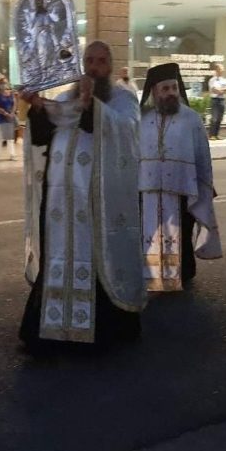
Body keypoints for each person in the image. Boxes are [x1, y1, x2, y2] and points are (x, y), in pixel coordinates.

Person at [19, 40, 145, 350]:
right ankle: (51, 329)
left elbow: (127, 131)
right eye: (89, 61)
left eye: (101, 61)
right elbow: (43, 136)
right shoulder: (65, 98)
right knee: (59, 255)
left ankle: (96, 333)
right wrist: (37, 107)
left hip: (98, 203)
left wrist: (93, 106)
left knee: (95, 257)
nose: (94, 67)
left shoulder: (123, 99)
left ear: (110, 66)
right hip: (61, 203)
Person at [139, 62, 222, 291]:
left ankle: (182, 274)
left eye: (174, 88)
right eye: (165, 89)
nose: (171, 93)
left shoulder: (191, 119)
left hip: (182, 190)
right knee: (149, 234)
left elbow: (203, 157)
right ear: (154, 91)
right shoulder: (142, 120)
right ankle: (152, 274)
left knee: (181, 234)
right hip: (148, 191)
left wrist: (205, 185)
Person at [0, 77, 16, 162]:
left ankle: (12, 155)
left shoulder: (11, 94)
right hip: (0, 119)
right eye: (2, 83)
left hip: (9, 118)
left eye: (5, 83)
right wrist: (5, 113)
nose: (4, 85)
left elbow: (14, 104)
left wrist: (12, 113)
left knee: (10, 138)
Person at [208, 62, 226, 140]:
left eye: (222, 69)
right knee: (214, 118)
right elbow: (214, 90)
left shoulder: (224, 80)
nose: (222, 71)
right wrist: (222, 90)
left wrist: (220, 90)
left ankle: (216, 134)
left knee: (220, 118)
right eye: (220, 69)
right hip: (215, 100)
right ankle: (211, 135)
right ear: (216, 70)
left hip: (222, 100)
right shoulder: (212, 80)